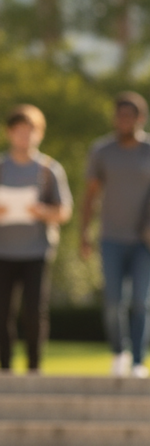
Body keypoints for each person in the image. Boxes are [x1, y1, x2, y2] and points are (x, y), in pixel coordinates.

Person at [80, 92, 150, 378]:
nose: (123, 120)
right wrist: (84, 233)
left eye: (129, 115)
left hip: (146, 239)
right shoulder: (101, 151)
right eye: (119, 115)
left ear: (140, 118)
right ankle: (119, 352)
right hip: (111, 237)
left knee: (141, 302)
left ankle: (139, 360)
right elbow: (90, 196)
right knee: (113, 303)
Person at [0, 105, 72, 373]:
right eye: (19, 131)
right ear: (10, 133)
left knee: (33, 312)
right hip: (3, 252)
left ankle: (34, 367)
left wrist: (42, 212)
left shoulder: (48, 170)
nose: (24, 137)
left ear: (39, 134)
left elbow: (64, 211)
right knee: (2, 313)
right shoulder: (2, 168)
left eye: (30, 131)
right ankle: (5, 367)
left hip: (36, 252)